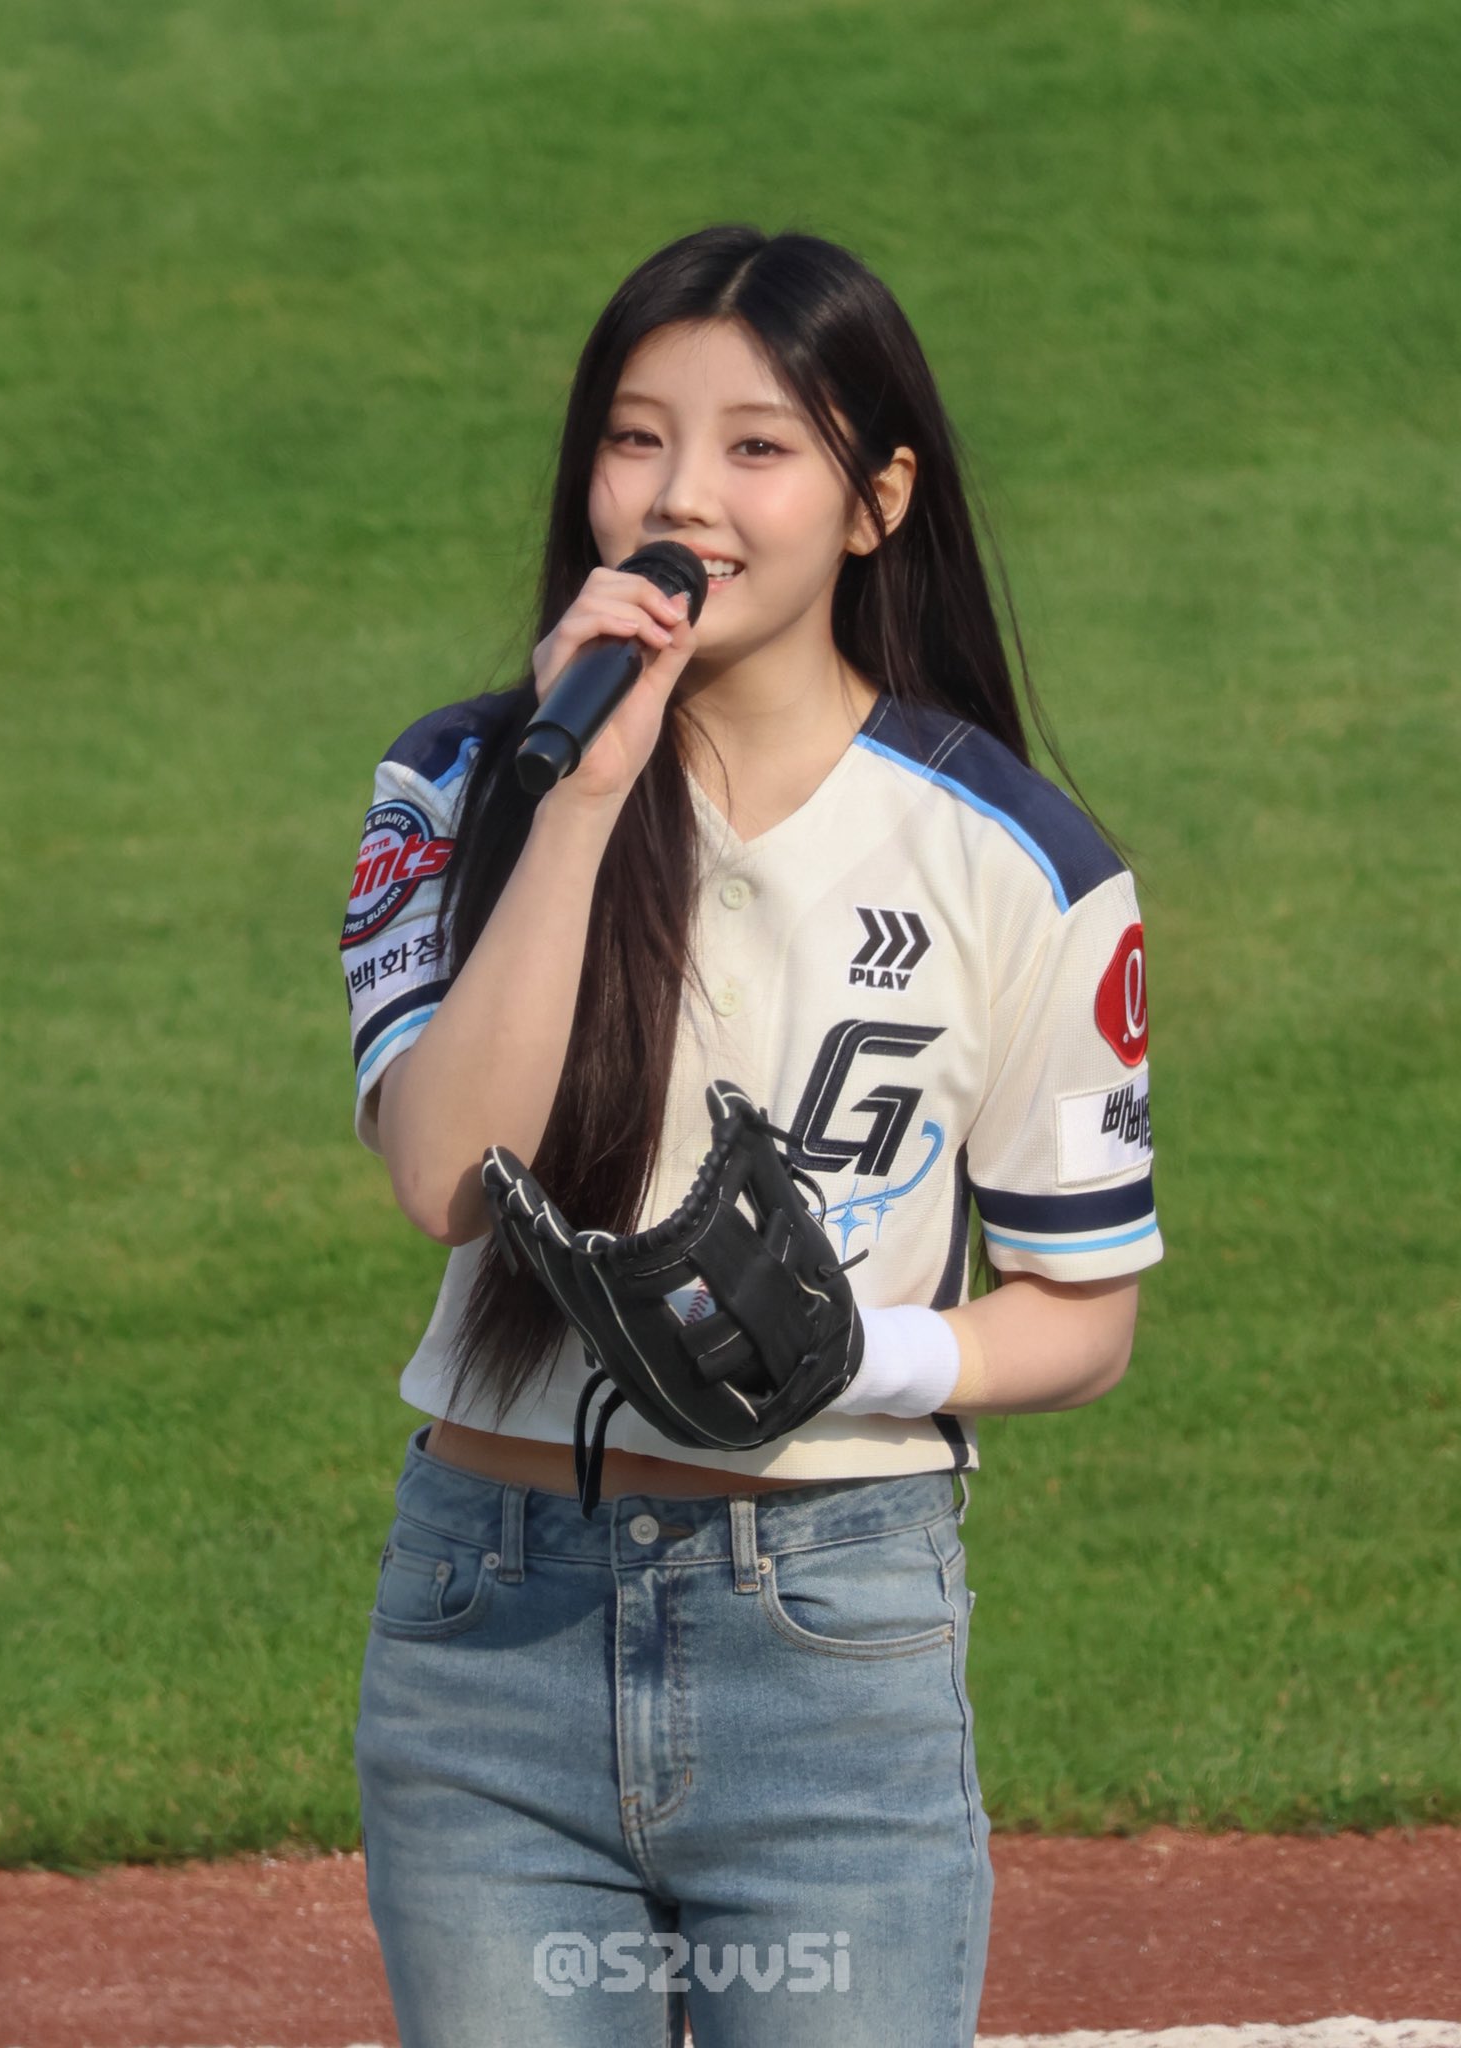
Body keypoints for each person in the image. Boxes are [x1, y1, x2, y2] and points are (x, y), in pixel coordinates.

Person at [339, 224, 1163, 2048]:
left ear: (877, 503)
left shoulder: (1023, 862)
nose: (681, 497)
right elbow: (445, 1178)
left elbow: (1083, 1312)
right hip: (490, 1647)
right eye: (636, 440)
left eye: (758, 447)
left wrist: (847, 1356)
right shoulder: (461, 783)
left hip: (831, 1653)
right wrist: (580, 802)